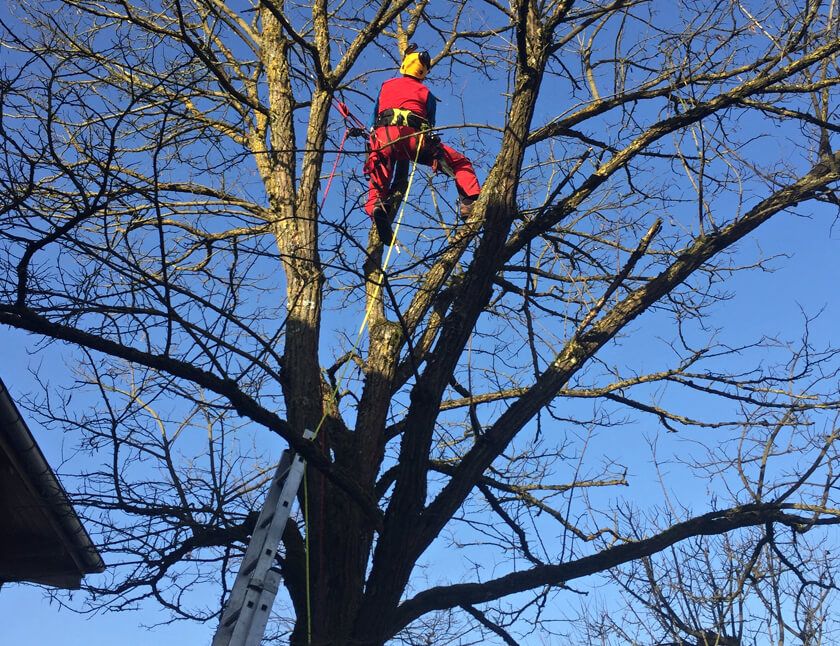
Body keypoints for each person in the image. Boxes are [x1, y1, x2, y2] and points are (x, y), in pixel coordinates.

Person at [364, 44, 482, 244]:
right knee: (461, 163)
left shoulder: (386, 85)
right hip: (414, 140)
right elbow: (430, 124)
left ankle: (377, 205)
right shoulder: (426, 93)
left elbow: (373, 119)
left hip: (383, 137)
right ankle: (469, 202)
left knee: (380, 169)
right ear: (423, 71)